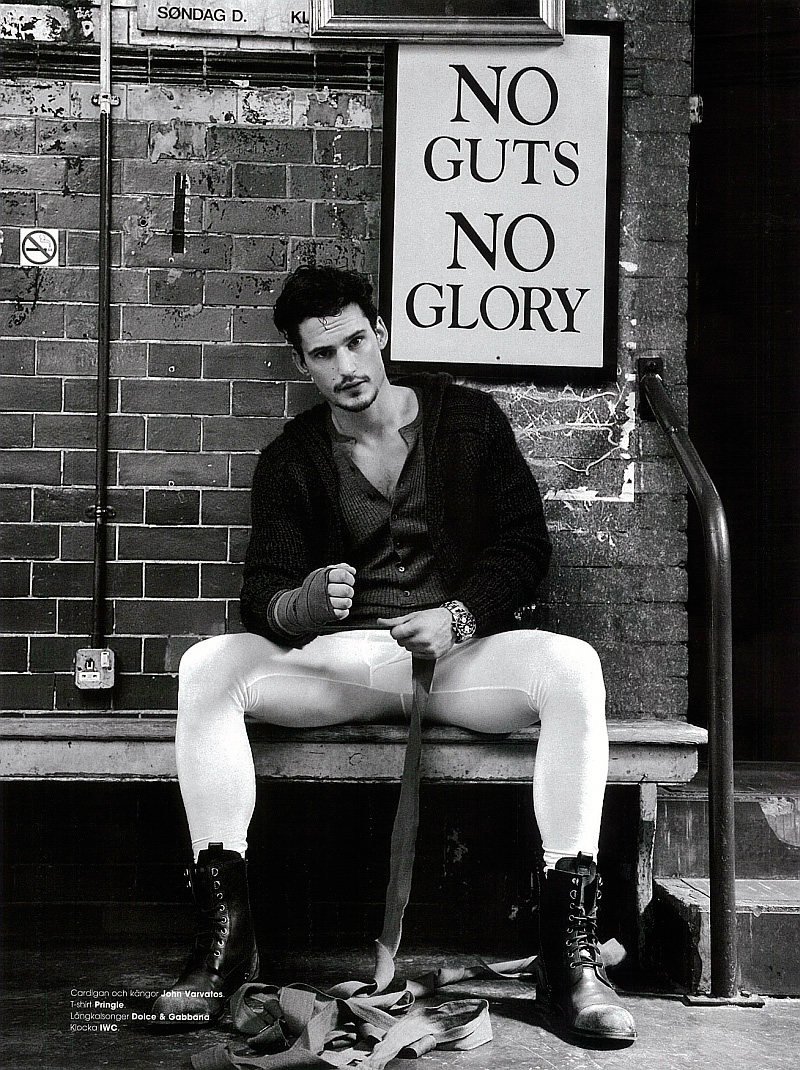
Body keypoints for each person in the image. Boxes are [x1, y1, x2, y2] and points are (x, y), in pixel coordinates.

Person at [152, 265, 636, 1045]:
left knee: (573, 667)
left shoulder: (467, 421)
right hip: (349, 663)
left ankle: (567, 959)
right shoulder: (293, 458)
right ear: (303, 364)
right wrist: (302, 605)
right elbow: (263, 590)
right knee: (207, 668)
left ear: (380, 332)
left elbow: (524, 546)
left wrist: (460, 615)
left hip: (460, 661)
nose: (345, 366)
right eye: (323, 354)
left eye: (354, 342)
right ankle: (224, 949)